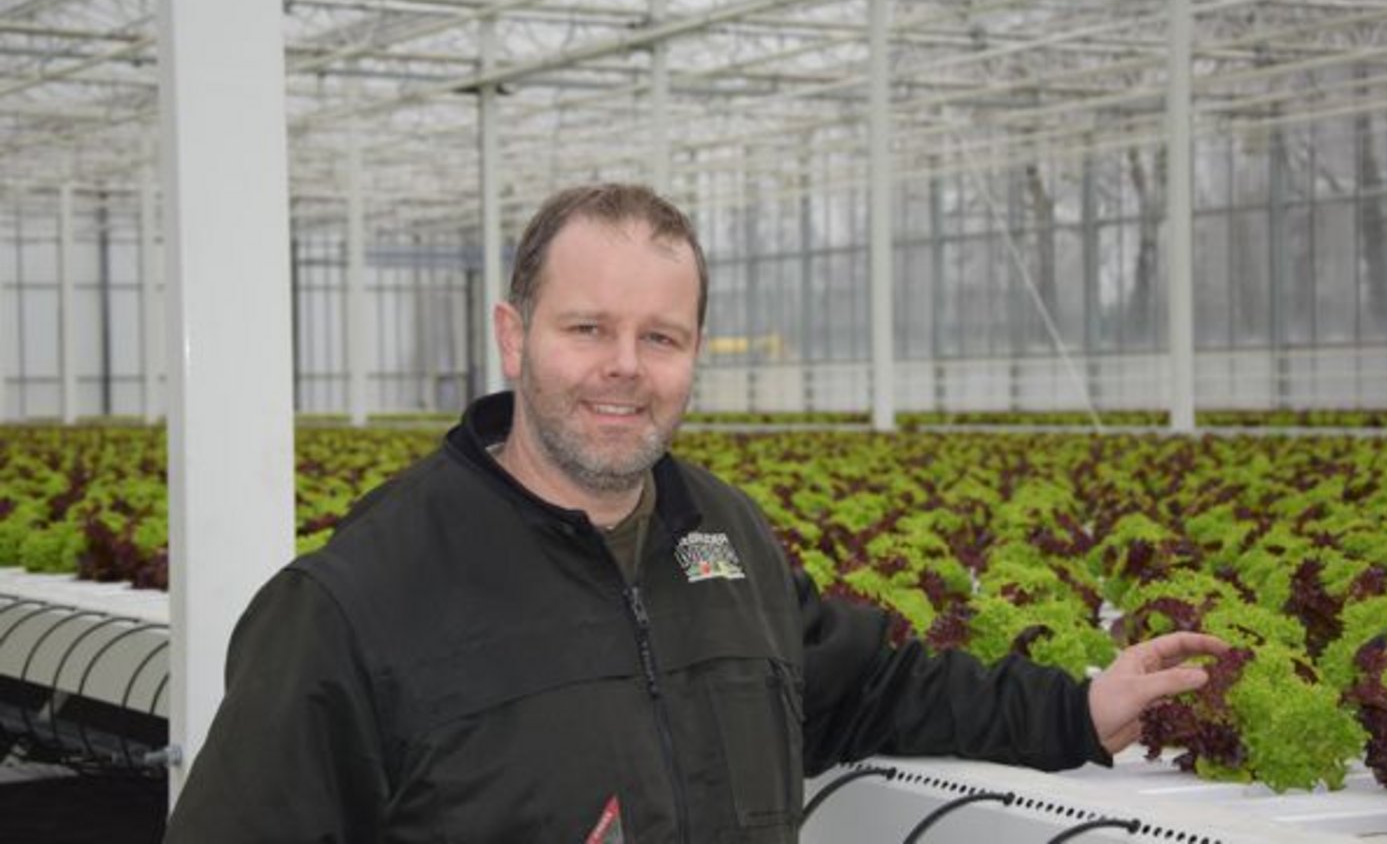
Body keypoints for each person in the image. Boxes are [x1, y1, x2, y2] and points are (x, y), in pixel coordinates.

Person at [165, 183, 1227, 843]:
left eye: (660, 337)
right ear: (511, 335)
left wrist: (1075, 712)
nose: (623, 368)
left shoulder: (723, 538)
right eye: (586, 327)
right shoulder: (359, 599)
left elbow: (865, 689)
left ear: (692, 355)